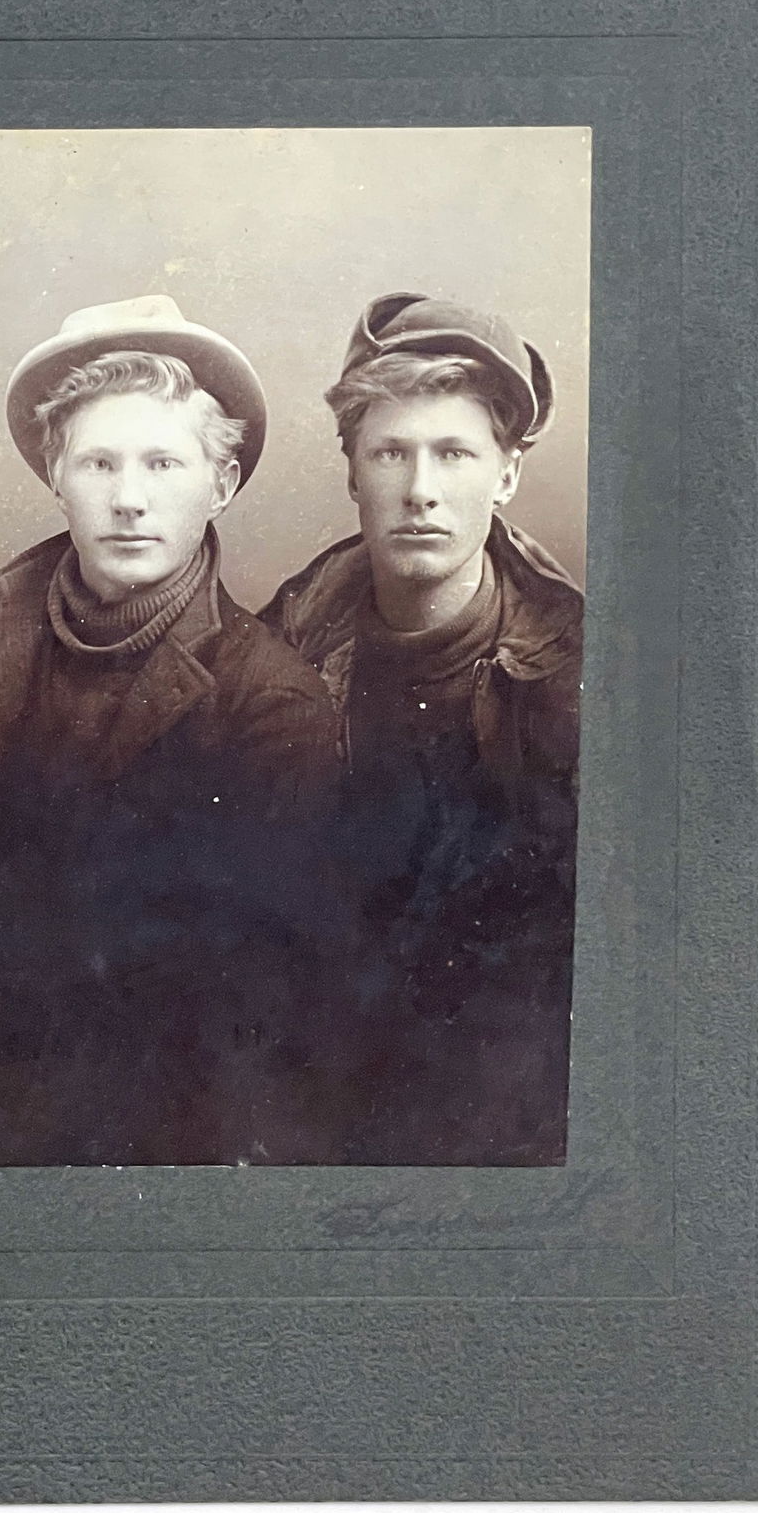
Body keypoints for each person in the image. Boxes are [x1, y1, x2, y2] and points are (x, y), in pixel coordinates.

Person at [0, 295, 340, 1168]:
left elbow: (251, 990)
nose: (130, 499)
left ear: (220, 486)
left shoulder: (269, 701)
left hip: (163, 1120)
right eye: (99, 462)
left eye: (164, 463)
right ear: (54, 475)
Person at [261, 291, 584, 1164]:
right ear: (352, 470)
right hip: (314, 1087)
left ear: (507, 472)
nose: (421, 491)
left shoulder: (581, 678)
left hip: (505, 1109)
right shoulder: (272, 653)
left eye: (454, 453)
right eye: (391, 452)